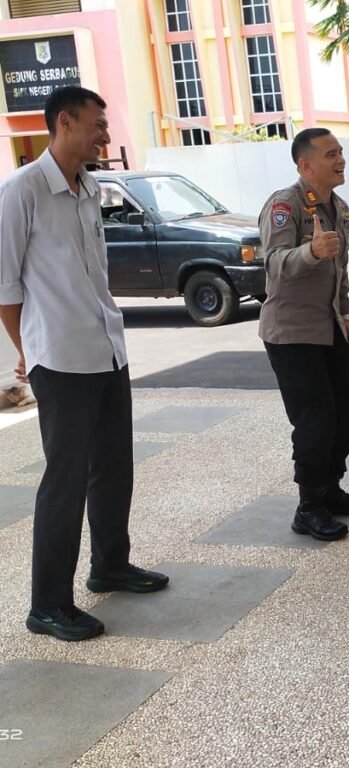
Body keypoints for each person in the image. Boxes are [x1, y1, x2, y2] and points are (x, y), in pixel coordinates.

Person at [0, 86, 168, 642]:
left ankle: (110, 565)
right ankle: (47, 605)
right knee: (65, 481)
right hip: (61, 358)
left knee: (114, 467)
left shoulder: (90, 188)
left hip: (106, 350)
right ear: (65, 122)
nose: (105, 134)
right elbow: (5, 288)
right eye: (98, 124)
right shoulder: (22, 190)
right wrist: (31, 351)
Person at [259, 128, 349, 542]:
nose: (340, 159)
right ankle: (308, 508)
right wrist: (310, 252)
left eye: (340, 151)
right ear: (305, 164)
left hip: (328, 329)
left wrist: (345, 313)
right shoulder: (284, 206)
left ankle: (330, 489)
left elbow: (339, 271)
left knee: (344, 416)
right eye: (330, 154)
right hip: (291, 333)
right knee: (315, 420)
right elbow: (271, 262)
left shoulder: (339, 210)